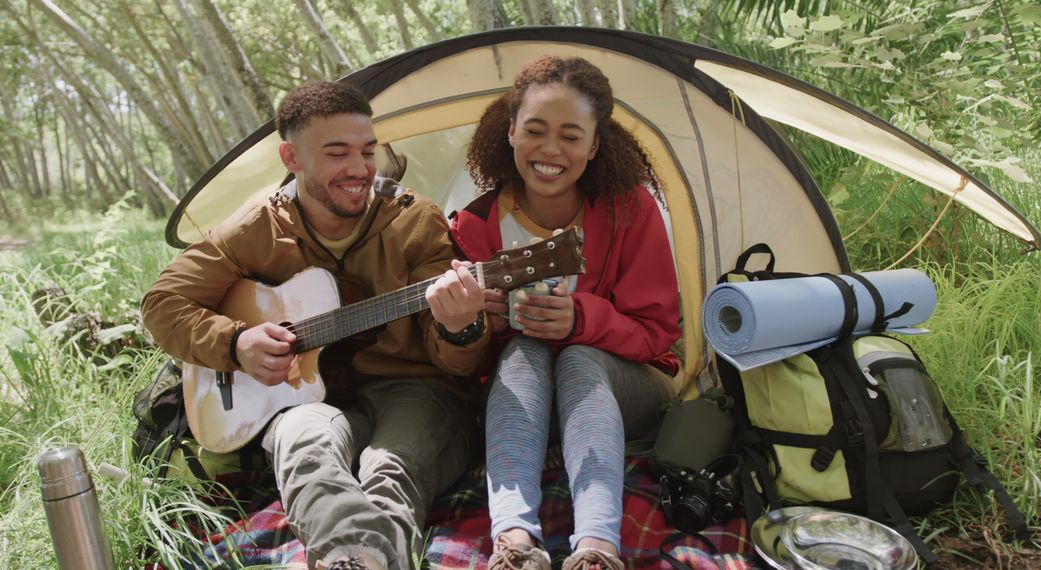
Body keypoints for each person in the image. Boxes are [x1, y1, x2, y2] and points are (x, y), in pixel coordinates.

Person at [141, 81, 490, 570]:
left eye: (368, 151)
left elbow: (454, 359)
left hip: (418, 390)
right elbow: (162, 302)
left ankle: (353, 558)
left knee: (389, 468)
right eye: (337, 153)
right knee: (303, 444)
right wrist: (237, 342)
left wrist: (460, 327)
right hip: (313, 400)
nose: (359, 169)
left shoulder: (415, 222)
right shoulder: (258, 226)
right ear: (291, 157)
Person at [449, 56, 682, 570]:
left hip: (626, 386)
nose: (551, 149)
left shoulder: (630, 209)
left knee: (579, 358)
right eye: (534, 130)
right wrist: (477, 323)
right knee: (522, 352)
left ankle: (596, 548)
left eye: (571, 136)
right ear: (510, 133)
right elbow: (463, 364)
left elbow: (659, 335)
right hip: (524, 405)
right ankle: (513, 543)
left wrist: (581, 320)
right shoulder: (475, 226)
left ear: (595, 145)